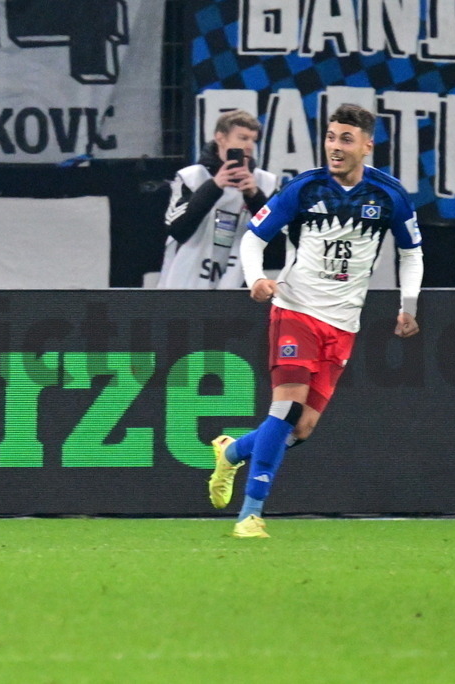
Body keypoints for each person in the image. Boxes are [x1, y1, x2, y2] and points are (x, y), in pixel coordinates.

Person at [206, 103, 423, 538]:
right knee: (285, 409)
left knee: (300, 428)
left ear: (367, 145)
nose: (335, 147)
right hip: (296, 310)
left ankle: (232, 453)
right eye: (329, 137)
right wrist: (256, 279)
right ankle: (250, 514)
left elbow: (411, 251)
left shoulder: (390, 195)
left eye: (345, 139)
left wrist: (409, 305)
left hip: (343, 324)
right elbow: (253, 239)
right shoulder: (304, 189)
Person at [158, 110, 277, 289]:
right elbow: (178, 230)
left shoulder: (265, 183)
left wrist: (255, 197)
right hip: (185, 284)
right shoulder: (191, 177)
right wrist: (214, 187)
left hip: (237, 286)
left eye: (253, 140)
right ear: (220, 138)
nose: (250, 146)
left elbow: (279, 245)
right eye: (243, 138)